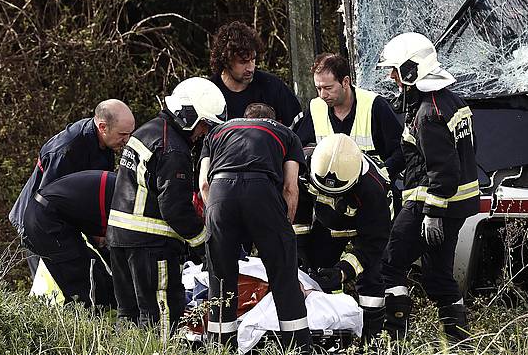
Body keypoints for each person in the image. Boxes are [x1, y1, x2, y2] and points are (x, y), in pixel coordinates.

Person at [376, 32, 480, 342]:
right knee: (438, 277)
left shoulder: (428, 113)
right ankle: (459, 343)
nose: (393, 78)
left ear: (411, 70)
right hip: (453, 206)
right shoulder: (448, 100)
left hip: (429, 205)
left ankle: (394, 342)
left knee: (390, 267)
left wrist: (432, 212)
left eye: (395, 71)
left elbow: (444, 170)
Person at [106, 77, 226, 339]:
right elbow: (174, 208)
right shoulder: (174, 148)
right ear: (188, 115)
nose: (204, 133)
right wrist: (203, 242)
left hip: (120, 241)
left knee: (129, 316)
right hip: (151, 247)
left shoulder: (147, 131)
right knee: (162, 317)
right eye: (204, 125)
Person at [199, 102, 311, 352]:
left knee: (220, 278)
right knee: (284, 277)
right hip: (262, 192)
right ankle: (297, 348)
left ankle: (219, 347)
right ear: (275, 120)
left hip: (219, 192)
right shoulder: (286, 134)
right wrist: (282, 229)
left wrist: (217, 220)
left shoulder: (217, 132)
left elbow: (204, 185)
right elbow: (291, 187)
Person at [9, 99, 135, 272]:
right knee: (50, 286)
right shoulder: (66, 151)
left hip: (69, 218)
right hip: (36, 223)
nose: (126, 140)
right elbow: (45, 204)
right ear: (103, 127)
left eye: (129, 134)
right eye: (122, 134)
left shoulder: (105, 143)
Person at [295, 133, 390, 342]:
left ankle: (371, 339)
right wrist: (300, 248)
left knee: (371, 281)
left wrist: (343, 271)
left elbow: (373, 242)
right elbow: (299, 208)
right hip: (329, 223)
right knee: (319, 270)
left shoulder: (372, 189)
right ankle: (332, 334)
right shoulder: (304, 165)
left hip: (367, 227)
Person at [293, 52, 404, 181]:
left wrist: (380, 176)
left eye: (328, 88)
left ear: (345, 82)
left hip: (370, 193)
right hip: (328, 192)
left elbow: (400, 152)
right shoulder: (315, 108)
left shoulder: (374, 105)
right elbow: (299, 151)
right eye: (318, 88)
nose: (323, 95)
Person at [23, 169, 117, 307]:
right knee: (81, 281)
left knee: (95, 271)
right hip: (45, 218)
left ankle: (102, 311)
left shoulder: (121, 185)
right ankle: (85, 320)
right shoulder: (124, 196)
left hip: (50, 213)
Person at [209, 21, 302, 126]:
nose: (250, 68)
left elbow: (299, 131)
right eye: (243, 62)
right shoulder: (208, 93)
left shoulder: (272, 87)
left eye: (253, 60)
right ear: (226, 61)